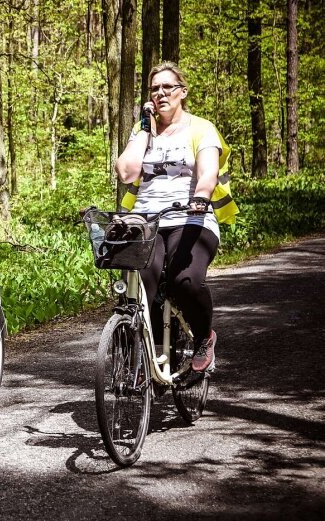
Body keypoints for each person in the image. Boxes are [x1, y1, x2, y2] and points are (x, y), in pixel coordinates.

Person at [114, 61, 229, 373]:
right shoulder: (142, 131)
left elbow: (207, 174)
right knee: (142, 288)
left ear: (183, 92)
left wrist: (201, 198)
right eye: (155, 88)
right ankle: (151, 359)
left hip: (191, 219)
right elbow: (126, 172)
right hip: (147, 220)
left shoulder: (201, 128)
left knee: (184, 281)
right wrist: (144, 128)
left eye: (168, 87)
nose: (161, 93)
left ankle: (205, 336)